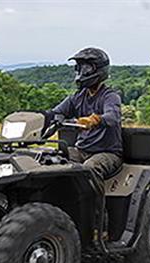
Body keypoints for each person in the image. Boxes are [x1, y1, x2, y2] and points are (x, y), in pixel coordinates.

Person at [49, 47, 123, 192]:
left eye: (86, 68)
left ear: (99, 70)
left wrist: (94, 120)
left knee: (90, 169)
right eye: (79, 67)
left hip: (108, 153)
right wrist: (49, 118)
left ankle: (96, 213)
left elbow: (113, 117)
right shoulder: (78, 96)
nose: (82, 72)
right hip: (81, 150)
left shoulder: (110, 96)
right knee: (52, 160)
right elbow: (56, 112)